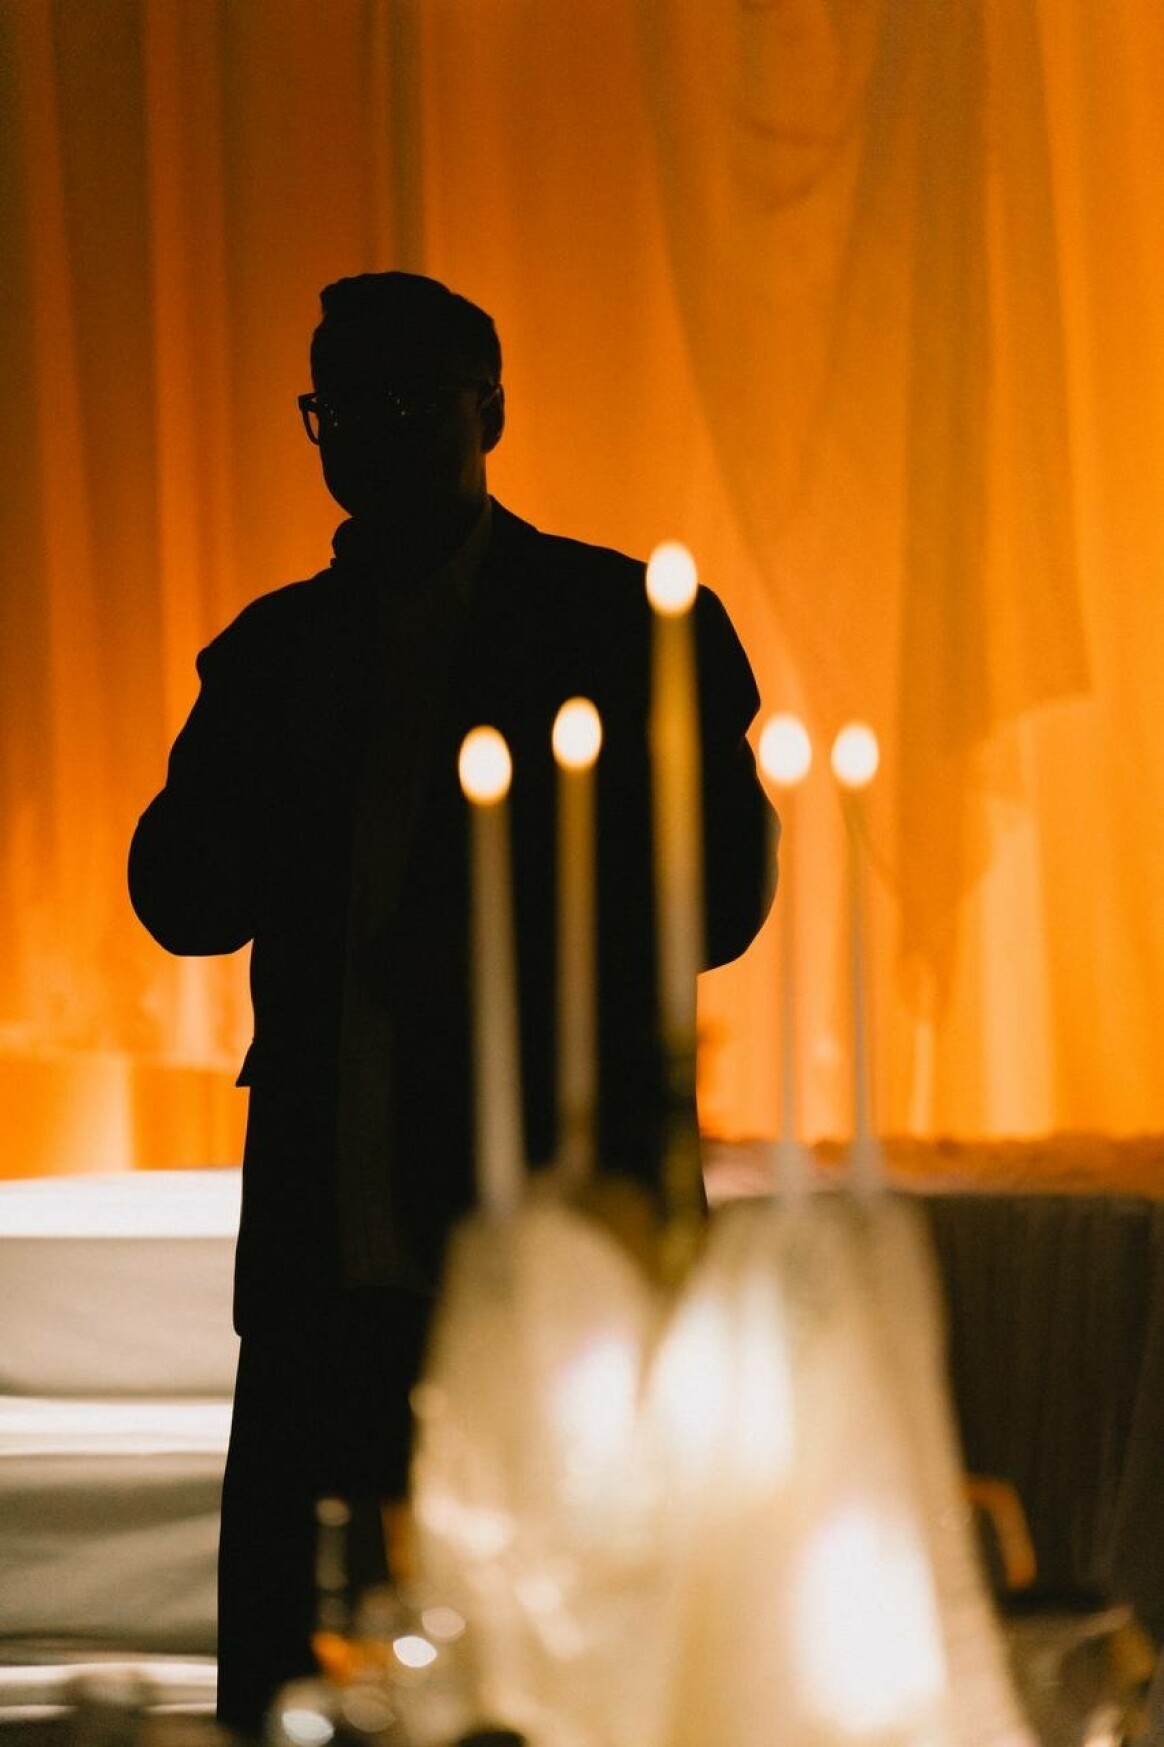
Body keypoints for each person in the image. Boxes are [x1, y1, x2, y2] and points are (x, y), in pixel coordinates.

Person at [128, 271, 775, 1734]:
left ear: (494, 410)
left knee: (574, 1639)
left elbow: (724, 900)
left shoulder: (626, 622)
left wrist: (490, 927)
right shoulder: (277, 651)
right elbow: (179, 901)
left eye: (412, 400)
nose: (373, 434)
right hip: (331, 1225)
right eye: (341, 408)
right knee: (309, 1646)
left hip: (554, 1217)